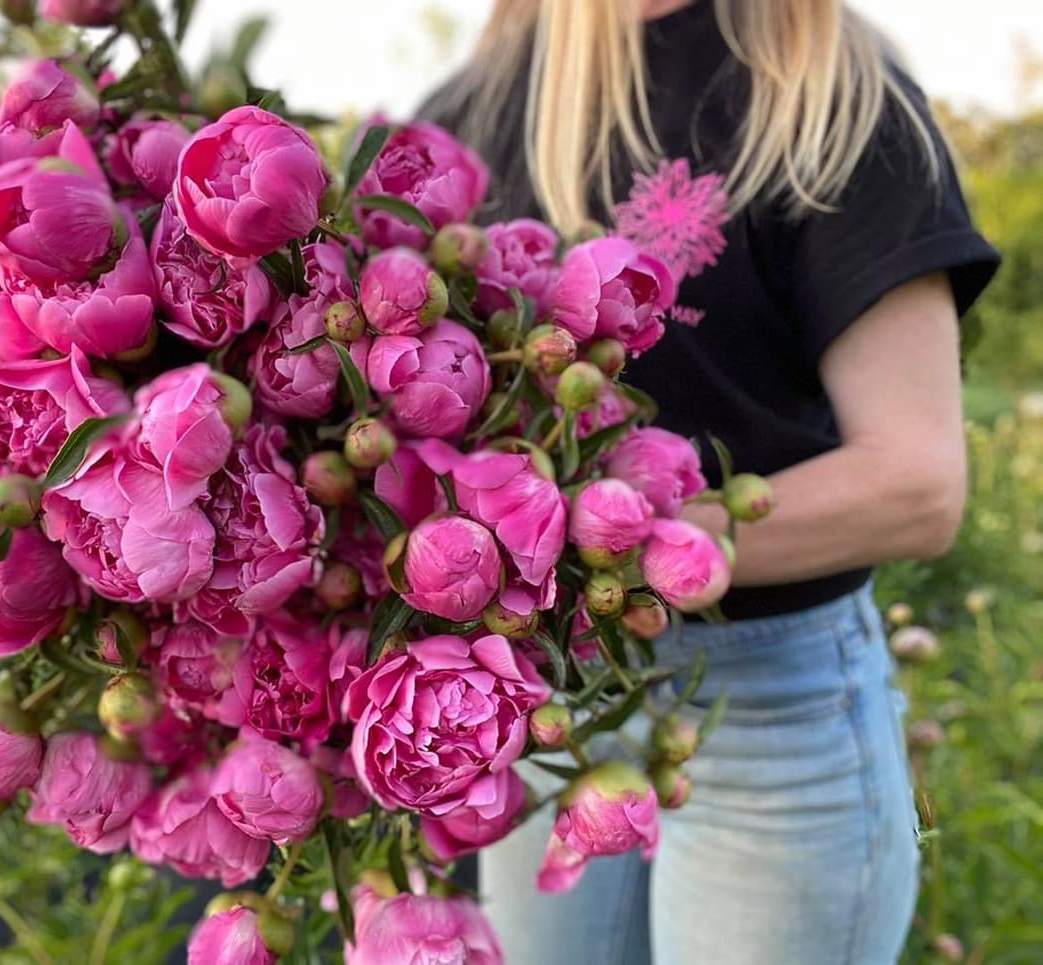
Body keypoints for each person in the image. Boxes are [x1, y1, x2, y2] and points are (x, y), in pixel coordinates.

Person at [419, 1, 1000, 962]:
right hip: (549, 695)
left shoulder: (826, 96)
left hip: (773, 719)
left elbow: (916, 484)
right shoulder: (471, 112)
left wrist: (597, 545)